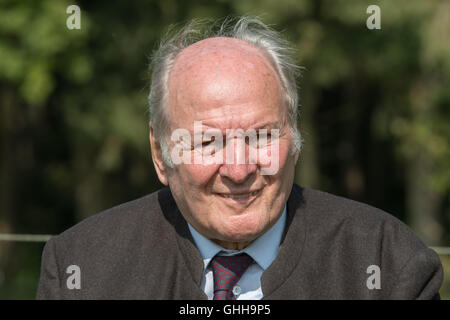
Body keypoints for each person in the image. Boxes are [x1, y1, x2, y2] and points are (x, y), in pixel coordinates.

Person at [37, 16, 443, 300]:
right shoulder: (83, 269)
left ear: (295, 139)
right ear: (161, 154)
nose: (239, 169)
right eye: (208, 142)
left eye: (262, 135)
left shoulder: (386, 262)